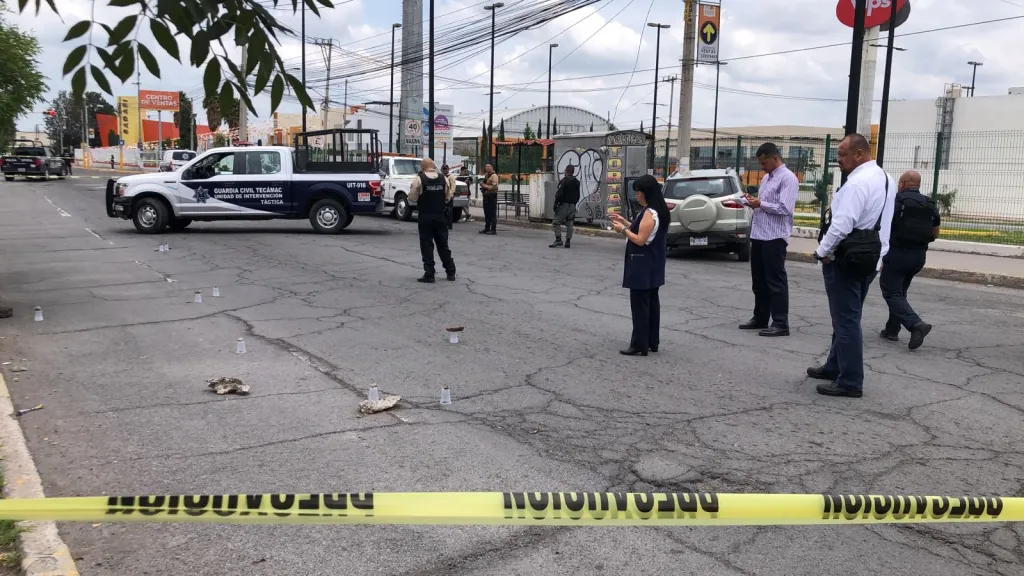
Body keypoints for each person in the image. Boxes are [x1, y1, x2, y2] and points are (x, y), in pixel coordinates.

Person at [807, 134, 895, 398]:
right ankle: (835, 365)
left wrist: (821, 252)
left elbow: (842, 225)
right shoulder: (886, 179)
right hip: (871, 258)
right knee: (847, 317)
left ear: (859, 154)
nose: (839, 159)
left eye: (843, 154)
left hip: (846, 258)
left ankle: (850, 380)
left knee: (846, 320)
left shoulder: (857, 183)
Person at [739, 142, 799, 337]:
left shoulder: (788, 178)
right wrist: (752, 201)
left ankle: (781, 322)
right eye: (760, 163)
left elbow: (785, 208)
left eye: (764, 163)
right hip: (759, 234)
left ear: (775, 157)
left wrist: (761, 203)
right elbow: (763, 204)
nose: (762, 167)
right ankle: (760, 317)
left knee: (775, 280)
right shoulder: (766, 178)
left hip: (775, 236)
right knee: (759, 280)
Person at [608, 175, 671, 357]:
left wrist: (622, 230)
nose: (637, 196)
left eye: (639, 192)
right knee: (652, 304)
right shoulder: (659, 211)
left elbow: (640, 239)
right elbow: (642, 229)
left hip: (642, 265)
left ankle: (639, 344)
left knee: (640, 306)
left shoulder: (650, 213)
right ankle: (652, 341)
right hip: (654, 264)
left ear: (647, 193)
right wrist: (625, 222)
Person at [879, 170, 940, 350]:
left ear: (903, 183)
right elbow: (935, 233)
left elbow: (884, 226)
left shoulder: (896, 202)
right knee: (900, 292)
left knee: (891, 292)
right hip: (918, 257)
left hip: (897, 254)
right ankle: (892, 330)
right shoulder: (930, 204)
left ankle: (916, 325)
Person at [408, 158, 457, 283]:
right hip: (440, 216)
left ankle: (429, 273)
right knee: (443, 244)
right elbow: (447, 197)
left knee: (426, 244)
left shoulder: (419, 178)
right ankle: (451, 271)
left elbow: (412, 198)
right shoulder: (443, 178)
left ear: (422, 166)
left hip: (425, 216)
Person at [550, 165, 581, 248]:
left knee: (556, 222)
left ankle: (558, 240)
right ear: (573, 172)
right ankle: (568, 241)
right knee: (570, 223)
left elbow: (559, 195)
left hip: (564, 205)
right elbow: (578, 195)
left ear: (566, 171)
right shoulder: (577, 182)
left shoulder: (564, 181)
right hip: (572, 206)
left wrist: (555, 204)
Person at [480, 163, 499, 235]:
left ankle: (493, 229)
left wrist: (484, 186)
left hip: (492, 195)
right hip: (486, 196)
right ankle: (487, 228)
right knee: (487, 213)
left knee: (492, 213)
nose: (487, 168)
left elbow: (494, 186)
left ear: (492, 167)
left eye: (488, 166)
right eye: (486, 166)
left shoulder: (494, 176)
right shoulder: (487, 175)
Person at [441, 164, 457, 230]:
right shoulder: (442, 176)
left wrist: (449, 195)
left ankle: (449, 225)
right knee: (443, 211)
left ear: (448, 169)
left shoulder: (451, 177)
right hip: (443, 196)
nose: (444, 170)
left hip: (449, 196)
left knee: (449, 211)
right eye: (443, 169)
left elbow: (453, 187)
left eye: (445, 169)